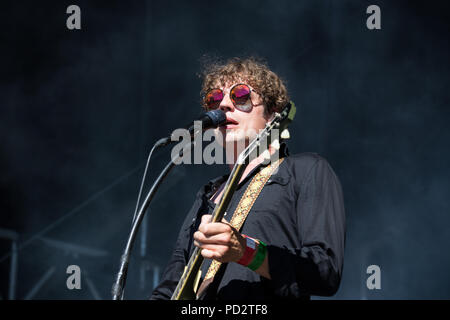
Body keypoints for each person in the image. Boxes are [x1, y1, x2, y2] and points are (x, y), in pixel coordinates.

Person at [150, 57, 346, 300]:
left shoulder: (306, 170)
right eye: (214, 98)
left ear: (273, 113)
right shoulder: (207, 194)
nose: (223, 105)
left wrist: (247, 251)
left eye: (240, 95)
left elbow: (325, 271)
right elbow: (172, 284)